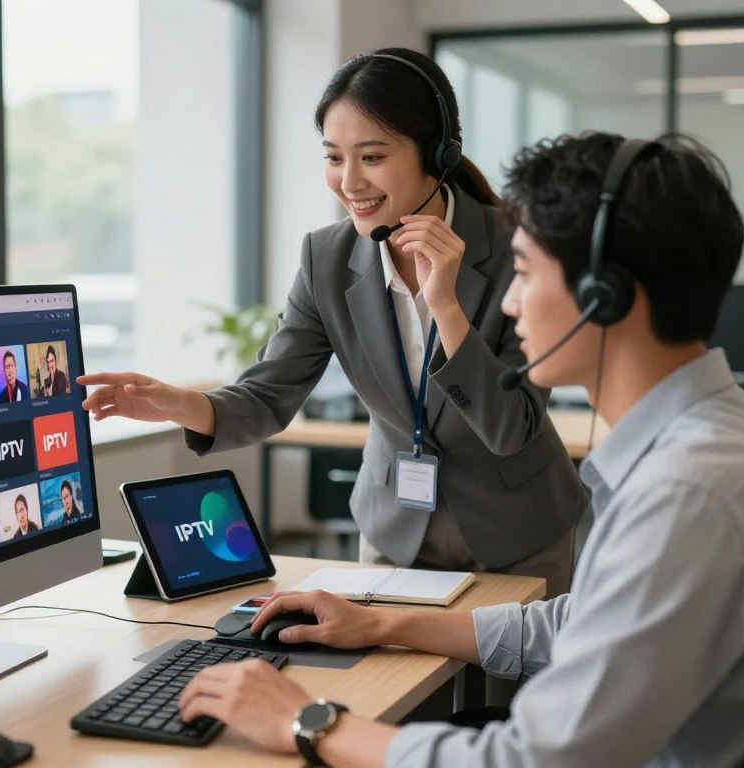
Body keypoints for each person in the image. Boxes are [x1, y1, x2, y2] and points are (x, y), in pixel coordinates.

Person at [176, 132, 744, 766]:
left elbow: (532, 760)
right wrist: (381, 621)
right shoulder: (718, 441)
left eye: (522, 272)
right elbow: (585, 621)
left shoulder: (688, 493)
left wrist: (308, 721)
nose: (511, 302)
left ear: (604, 295)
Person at [79, 48, 584, 596]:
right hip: (394, 535)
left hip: (518, 538)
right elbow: (267, 397)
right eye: (333, 157)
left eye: (371, 157)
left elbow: (513, 428)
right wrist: (176, 403)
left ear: (437, 154)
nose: (348, 182)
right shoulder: (327, 257)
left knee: (512, 683)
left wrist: (446, 307)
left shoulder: (518, 249)